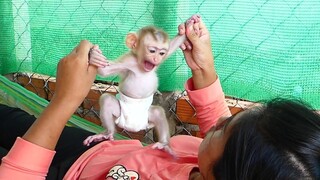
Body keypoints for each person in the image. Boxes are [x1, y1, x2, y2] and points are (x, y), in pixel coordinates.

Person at [0, 15, 320, 180]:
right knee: (16, 122)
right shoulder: (216, 163)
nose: (219, 121)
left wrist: (64, 102)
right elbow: (229, 137)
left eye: (224, 128)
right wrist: (205, 71)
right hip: (93, 151)